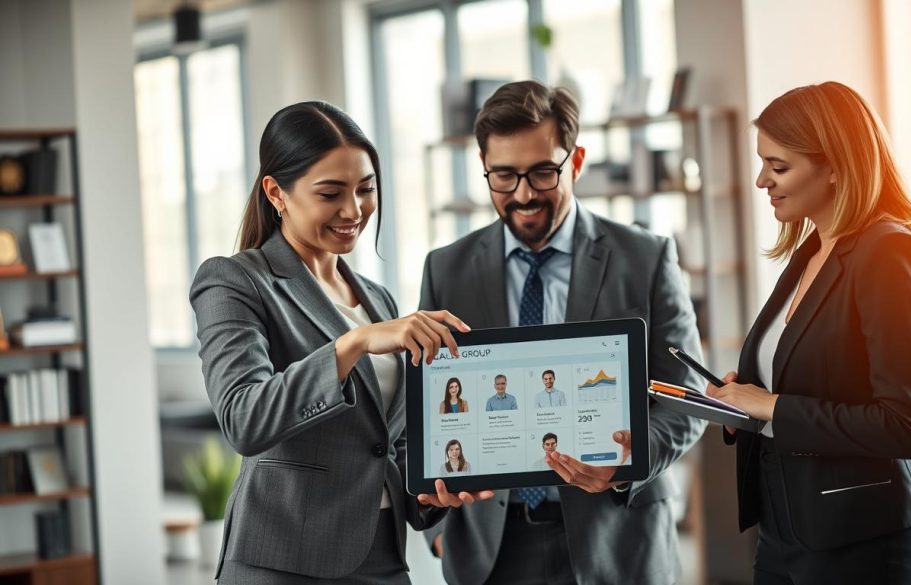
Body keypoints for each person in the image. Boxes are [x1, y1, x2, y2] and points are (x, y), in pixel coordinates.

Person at [190, 101, 490, 585]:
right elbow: (244, 419)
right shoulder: (235, 281)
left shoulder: (377, 298)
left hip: (382, 552)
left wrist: (434, 486)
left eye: (366, 189)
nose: (354, 211)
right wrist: (353, 344)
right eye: (331, 193)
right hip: (284, 559)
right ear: (277, 193)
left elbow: (390, 441)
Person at [419, 80, 707, 585]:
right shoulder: (447, 270)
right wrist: (438, 527)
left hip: (619, 542)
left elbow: (689, 398)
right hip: (493, 551)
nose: (524, 195)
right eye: (504, 177)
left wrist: (629, 460)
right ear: (484, 169)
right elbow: (419, 411)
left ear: (575, 162)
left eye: (543, 172)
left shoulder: (645, 258)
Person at [705, 82, 911, 585]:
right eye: (762, 163)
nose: (760, 181)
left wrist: (769, 406)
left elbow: (903, 425)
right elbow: (799, 388)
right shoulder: (810, 253)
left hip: (862, 543)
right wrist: (739, 409)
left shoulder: (889, 254)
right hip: (783, 531)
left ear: (835, 164)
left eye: (778, 166)